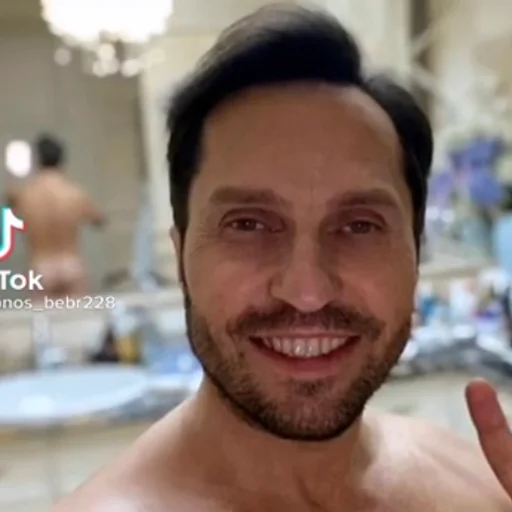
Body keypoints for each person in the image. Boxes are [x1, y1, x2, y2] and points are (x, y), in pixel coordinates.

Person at [52, 5, 512, 511]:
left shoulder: (477, 483)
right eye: (248, 225)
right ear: (181, 257)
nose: (307, 292)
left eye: (360, 226)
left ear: (415, 253)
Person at [6, 134, 105, 299]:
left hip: (40, 268)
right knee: (75, 315)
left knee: (41, 315)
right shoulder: (75, 193)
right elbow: (99, 220)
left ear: (37, 161)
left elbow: (8, 208)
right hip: (71, 266)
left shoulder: (24, 194)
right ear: (62, 161)